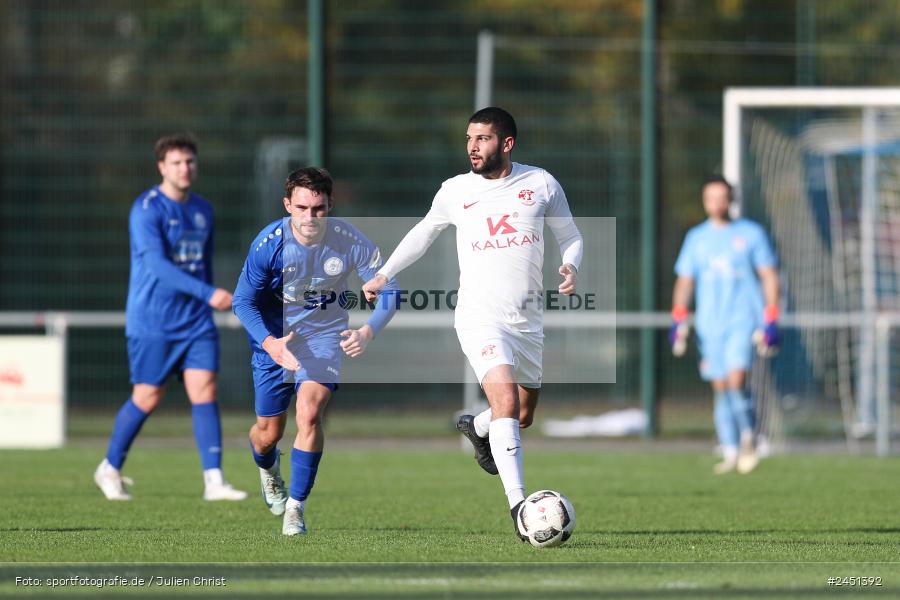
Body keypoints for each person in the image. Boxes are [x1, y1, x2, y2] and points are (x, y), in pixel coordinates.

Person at [362, 107, 583, 541]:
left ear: (507, 143)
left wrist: (571, 266)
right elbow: (424, 232)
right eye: (469, 138)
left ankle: (477, 428)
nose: (472, 147)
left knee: (522, 415)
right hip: (480, 316)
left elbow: (570, 235)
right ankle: (519, 508)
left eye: (482, 139)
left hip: (528, 321)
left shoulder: (540, 184)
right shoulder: (455, 190)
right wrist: (384, 273)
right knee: (505, 403)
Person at [233, 167, 398, 536]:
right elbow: (242, 301)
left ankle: (296, 507)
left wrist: (369, 330)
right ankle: (268, 468)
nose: (311, 217)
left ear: (329, 205)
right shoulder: (269, 244)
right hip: (274, 340)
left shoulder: (348, 240)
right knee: (268, 433)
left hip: (323, 335)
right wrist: (270, 343)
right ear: (288, 205)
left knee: (309, 413)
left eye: (319, 209)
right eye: (303, 208)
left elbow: (391, 288)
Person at [94, 133, 247, 502]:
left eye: (190, 161)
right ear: (162, 167)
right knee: (147, 396)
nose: (185, 168)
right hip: (154, 319)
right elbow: (159, 267)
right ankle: (110, 467)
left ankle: (214, 481)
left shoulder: (203, 209)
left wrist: (212, 299)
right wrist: (209, 294)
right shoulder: (147, 208)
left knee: (205, 390)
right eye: (177, 162)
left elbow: (203, 265)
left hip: (195, 320)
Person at [670, 175, 780, 475]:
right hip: (709, 323)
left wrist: (770, 317)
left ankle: (749, 436)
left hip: (743, 319)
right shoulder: (697, 237)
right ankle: (731, 450)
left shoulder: (751, 234)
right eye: (711, 197)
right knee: (720, 387)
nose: (717, 202)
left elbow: (769, 275)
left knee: (736, 380)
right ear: (705, 201)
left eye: (722, 197)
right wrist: (678, 316)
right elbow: (685, 280)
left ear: (731, 199)